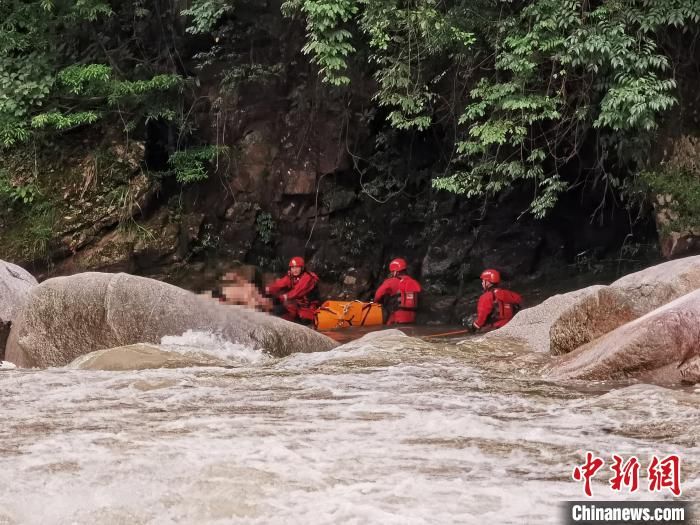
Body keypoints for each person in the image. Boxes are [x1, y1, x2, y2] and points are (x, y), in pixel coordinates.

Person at [265, 257, 320, 323]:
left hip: (309, 308)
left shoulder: (308, 278)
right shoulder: (291, 276)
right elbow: (279, 284)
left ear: (302, 268)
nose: (295, 270)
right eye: (293, 268)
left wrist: (281, 298)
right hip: (297, 306)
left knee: (303, 321)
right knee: (277, 311)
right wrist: (267, 290)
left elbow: (297, 292)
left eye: (297, 267)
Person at [373, 258, 422, 325]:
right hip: (412, 320)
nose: (391, 273)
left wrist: (375, 302)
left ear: (396, 272)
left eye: (392, 272)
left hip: (396, 320)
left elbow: (378, 295)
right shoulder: (414, 282)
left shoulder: (390, 282)